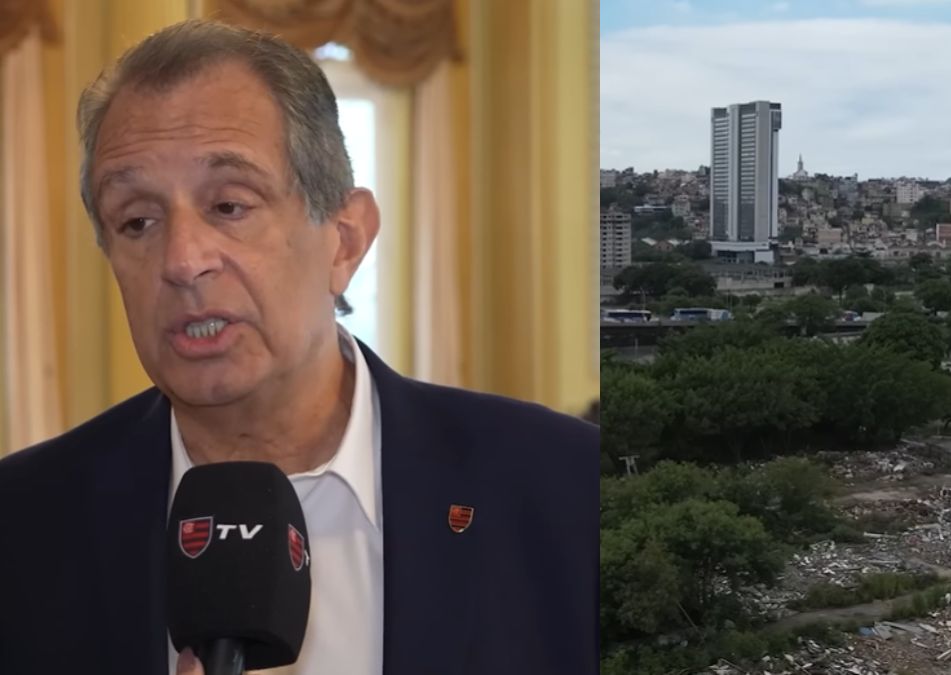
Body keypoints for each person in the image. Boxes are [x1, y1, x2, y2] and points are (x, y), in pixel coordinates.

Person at [0, 19, 598, 675]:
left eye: (229, 205)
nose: (182, 259)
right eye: (137, 220)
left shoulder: (566, 488)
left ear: (344, 239)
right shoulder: (22, 526)